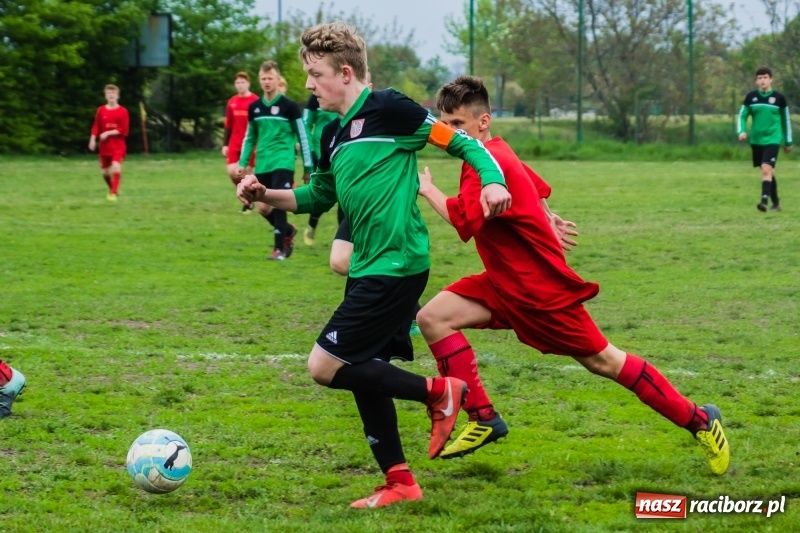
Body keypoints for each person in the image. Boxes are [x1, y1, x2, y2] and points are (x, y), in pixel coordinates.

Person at [236, 22, 511, 508]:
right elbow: (317, 194)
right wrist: (266, 194)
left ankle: (440, 392)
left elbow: (464, 144)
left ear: (345, 72)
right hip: (369, 266)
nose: (308, 84)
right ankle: (401, 482)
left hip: (398, 265)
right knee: (366, 365)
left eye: (315, 74)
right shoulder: (332, 135)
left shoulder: (391, 108)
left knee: (324, 365)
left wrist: (491, 181)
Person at [415, 76, 730, 477]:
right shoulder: (490, 153)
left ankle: (700, 420)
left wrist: (428, 191)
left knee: (605, 362)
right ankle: (483, 418)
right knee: (433, 318)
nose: (449, 133)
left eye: (457, 124)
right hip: (504, 281)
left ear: (483, 121)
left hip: (539, 292)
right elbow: (530, 180)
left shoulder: (482, 164)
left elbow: (461, 220)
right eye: (444, 124)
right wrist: (546, 213)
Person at [238, 61, 314, 260]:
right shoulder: (255, 108)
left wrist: (308, 167)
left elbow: (303, 136)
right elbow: (250, 137)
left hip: (283, 162)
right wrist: (243, 162)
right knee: (263, 208)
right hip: (263, 163)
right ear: (259, 80)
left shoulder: (289, 106)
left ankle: (279, 249)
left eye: (270, 78)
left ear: (277, 80)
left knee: (280, 204)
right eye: (263, 78)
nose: (267, 82)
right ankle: (288, 230)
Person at [737, 66, 793, 212]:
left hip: (773, 139)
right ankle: (776, 204)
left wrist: (788, 142)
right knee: (769, 172)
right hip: (756, 140)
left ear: (771, 79)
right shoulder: (751, 97)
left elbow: (785, 121)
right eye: (760, 78)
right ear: (756, 81)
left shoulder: (779, 99)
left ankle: (764, 201)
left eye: (765, 77)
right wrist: (741, 131)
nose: (762, 80)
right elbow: (742, 115)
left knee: (766, 169)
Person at [302, 93, 341, 245]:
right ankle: (312, 224)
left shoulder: (346, 93)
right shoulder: (315, 97)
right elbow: (305, 124)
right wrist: (310, 150)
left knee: (344, 196)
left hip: (343, 152)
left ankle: (343, 239)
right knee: (323, 194)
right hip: (320, 153)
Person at [222, 72, 260, 214]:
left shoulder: (255, 101)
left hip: (250, 144)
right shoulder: (232, 102)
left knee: (246, 173)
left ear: (248, 84)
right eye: (237, 83)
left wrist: (258, 143)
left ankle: (248, 202)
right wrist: (225, 144)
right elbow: (228, 125)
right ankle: (248, 194)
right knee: (232, 172)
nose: (240, 85)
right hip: (234, 143)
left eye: (243, 82)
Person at [89, 84, 129, 201]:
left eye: (113, 93)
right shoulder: (101, 110)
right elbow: (96, 126)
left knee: (116, 166)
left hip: (118, 145)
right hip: (104, 146)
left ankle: (113, 193)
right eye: (108, 93)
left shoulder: (123, 111)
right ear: (106, 96)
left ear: (118, 96)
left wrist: (108, 133)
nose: (111, 95)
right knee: (105, 172)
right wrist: (92, 139)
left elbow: (124, 130)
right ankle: (113, 189)